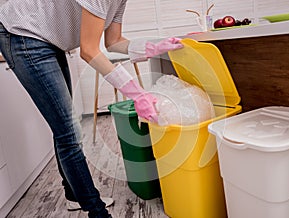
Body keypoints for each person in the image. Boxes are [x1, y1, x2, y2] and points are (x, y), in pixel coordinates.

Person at [0, 0, 183, 217]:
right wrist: (137, 93)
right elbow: (88, 50)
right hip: (22, 34)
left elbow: (114, 42)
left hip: (48, 39)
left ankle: (74, 195)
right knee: (69, 133)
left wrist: (151, 46)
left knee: (64, 129)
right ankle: (97, 212)